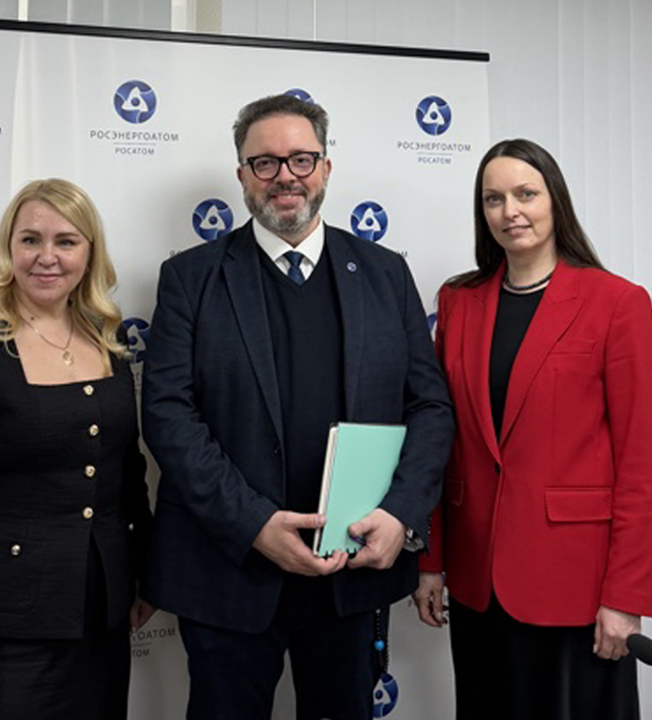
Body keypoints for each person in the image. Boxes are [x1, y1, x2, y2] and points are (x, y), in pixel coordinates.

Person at [141, 94, 454, 720]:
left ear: (326, 168)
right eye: (266, 162)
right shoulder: (191, 278)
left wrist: (400, 513)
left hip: (352, 569)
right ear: (242, 175)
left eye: (301, 159)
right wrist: (254, 525)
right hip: (228, 570)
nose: (285, 175)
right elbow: (168, 416)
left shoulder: (386, 273)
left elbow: (431, 408)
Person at [414, 139, 652, 720]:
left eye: (526, 194)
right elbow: (441, 441)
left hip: (575, 585)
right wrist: (430, 561)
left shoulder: (616, 302)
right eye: (493, 198)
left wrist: (625, 597)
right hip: (477, 581)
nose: (511, 211)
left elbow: (641, 465)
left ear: (555, 201)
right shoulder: (458, 302)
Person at [0, 178, 153, 720]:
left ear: (89, 252)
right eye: (30, 240)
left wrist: (141, 575)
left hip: (102, 617)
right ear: (8, 248)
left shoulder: (107, 342)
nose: (47, 257)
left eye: (66, 241)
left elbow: (127, 473)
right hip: (3, 628)